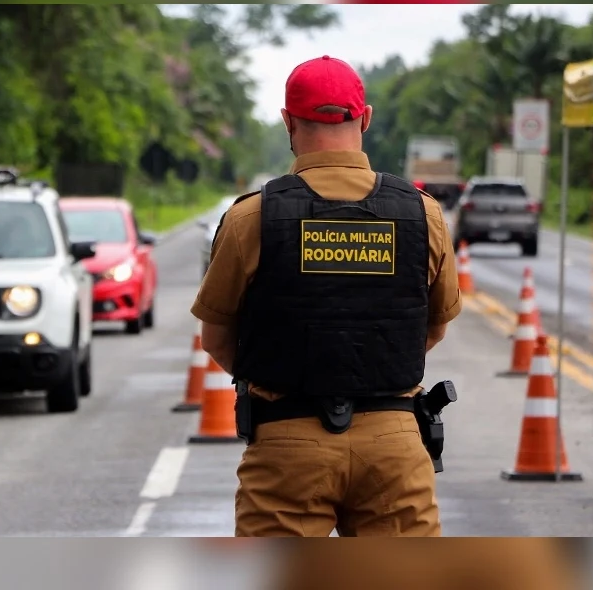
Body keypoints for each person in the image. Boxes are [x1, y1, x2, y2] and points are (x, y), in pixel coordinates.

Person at [191, 55, 461, 537]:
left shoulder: (251, 218)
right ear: (367, 117)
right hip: (395, 446)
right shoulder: (424, 215)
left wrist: (290, 369)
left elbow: (216, 337)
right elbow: (435, 325)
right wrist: (371, 362)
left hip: (286, 445)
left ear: (288, 121)